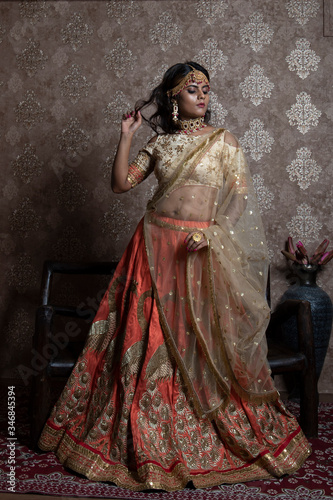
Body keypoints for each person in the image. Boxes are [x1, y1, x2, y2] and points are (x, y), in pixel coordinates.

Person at [38, 62, 311, 491]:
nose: (202, 96)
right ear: (173, 98)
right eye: (192, 89)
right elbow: (121, 185)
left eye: (206, 89)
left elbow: (238, 198)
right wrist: (126, 137)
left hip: (199, 253)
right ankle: (144, 424)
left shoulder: (224, 143)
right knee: (146, 341)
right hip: (152, 249)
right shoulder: (160, 144)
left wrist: (214, 235)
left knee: (198, 341)